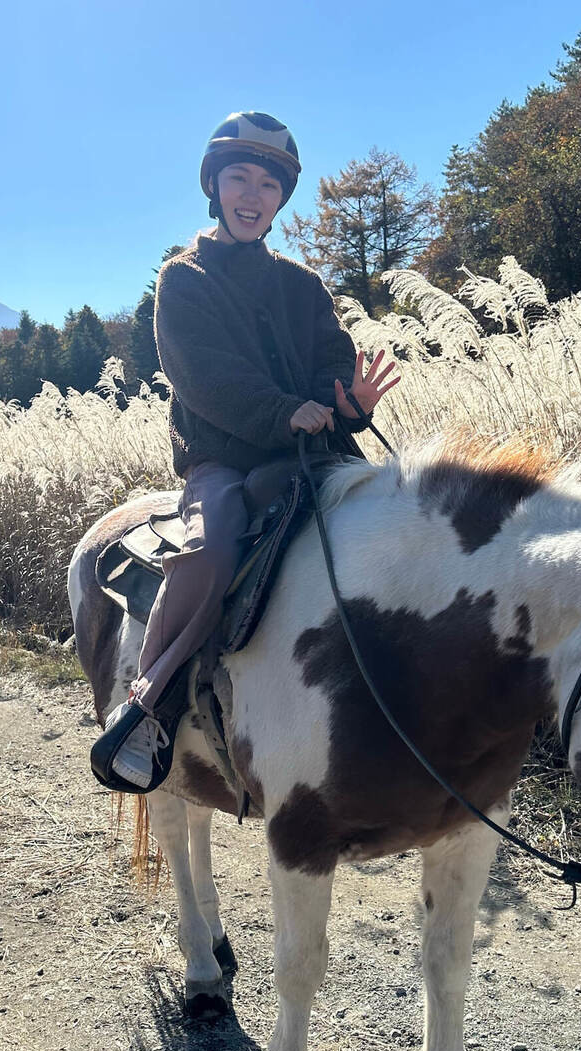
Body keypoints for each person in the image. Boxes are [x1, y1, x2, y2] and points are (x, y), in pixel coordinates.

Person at [93, 111, 400, 790]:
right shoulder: (184, 280)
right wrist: (284, 412)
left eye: (267, 182)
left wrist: (345, 404)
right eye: (239, 177)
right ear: (214, 184)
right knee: (208, 549)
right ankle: (150, 705)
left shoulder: (302, 285)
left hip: (316, 457)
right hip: (225, 460)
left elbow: (329, 359)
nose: (252, 193)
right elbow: (204, 380)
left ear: (280, 198)